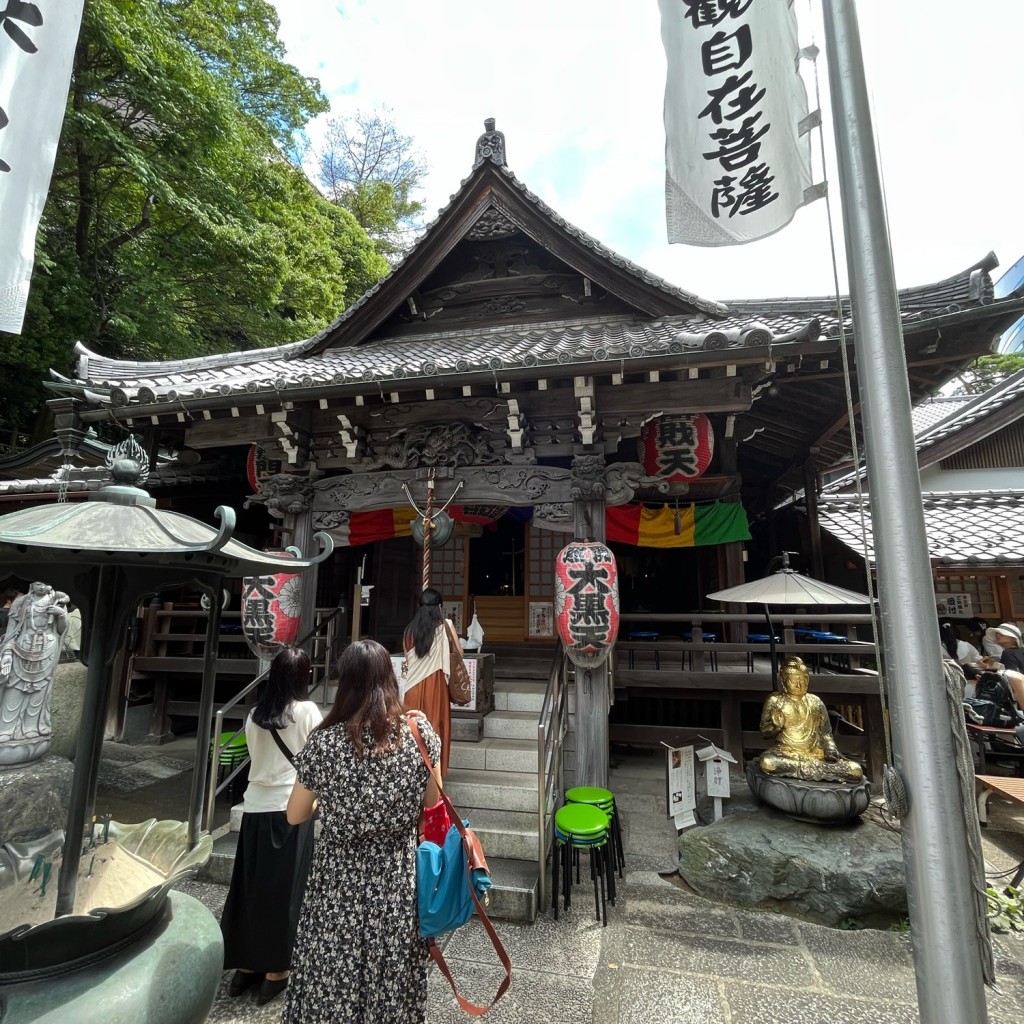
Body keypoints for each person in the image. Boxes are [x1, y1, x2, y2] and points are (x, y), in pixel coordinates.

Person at [283, 639, 440, 1024]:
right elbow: (431, 803)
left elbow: (294, 815)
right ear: (390, 680)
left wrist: (331, 802)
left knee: (331, 976)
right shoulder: (418, 737)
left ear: (345, 683)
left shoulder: (324, 742)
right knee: (391, 981)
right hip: (395, 884)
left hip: (337, 885)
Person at [220, 646, 322, 1006]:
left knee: (251, 887)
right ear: (303, 677)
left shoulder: (253, 715)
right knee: (285, 892)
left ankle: (245, 967)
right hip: (291, 809)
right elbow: (318, 758)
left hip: (255, 807)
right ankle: (276, 971)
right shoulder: (307, 711)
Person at [757, 656, 864, 783]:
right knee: (767, 763)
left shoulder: (815, 702)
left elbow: (826, 733)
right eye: (794, 680)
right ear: (784, 681)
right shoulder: (775, 701)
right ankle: (816, 772)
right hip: (786, 753)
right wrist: (776, 726)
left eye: (803, 679)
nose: (799, 684)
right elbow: (765, 732)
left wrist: (830, 748)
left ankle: (809, 771)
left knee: (855, 770)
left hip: (815, 754)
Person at [0, 582, 68, 765]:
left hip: (47, 649)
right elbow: (11, 632)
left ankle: (32, 728)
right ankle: (6, 730)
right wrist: (6, 654)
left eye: (46, 582)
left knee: (39, 692)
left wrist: (61, 615)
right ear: (31, 583)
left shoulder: (57, 601)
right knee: (14, 689)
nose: (42, 585)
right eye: (38, 582)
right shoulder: (21, 602)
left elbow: (62, 630)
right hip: (21, 648)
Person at [401, 587, 454, 776]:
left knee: (411, 730)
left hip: (413, 687)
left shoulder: (409, 631)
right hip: (436, 685)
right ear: (439, 607)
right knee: (435, 726)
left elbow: (408, 660)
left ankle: (411, 773)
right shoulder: (444, 629)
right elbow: (458, 654)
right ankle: (435, 775)